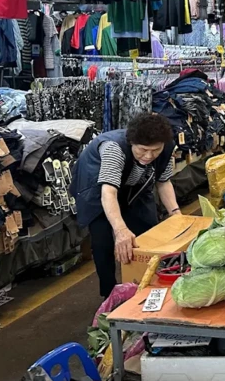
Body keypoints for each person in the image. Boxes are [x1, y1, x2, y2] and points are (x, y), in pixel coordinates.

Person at [70, 113, 180, 297]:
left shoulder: (166, 147)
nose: (149, 156)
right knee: (103, 242)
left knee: (149, 232)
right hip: (98, 191)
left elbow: (163, 181)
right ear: (132, 143)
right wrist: (120, 230)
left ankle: (149, 287)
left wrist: (176, 213)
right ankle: (110, 295)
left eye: (155, 150)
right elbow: (109, 192)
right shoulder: (114, 149)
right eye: (143, 150)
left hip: (135, 187)